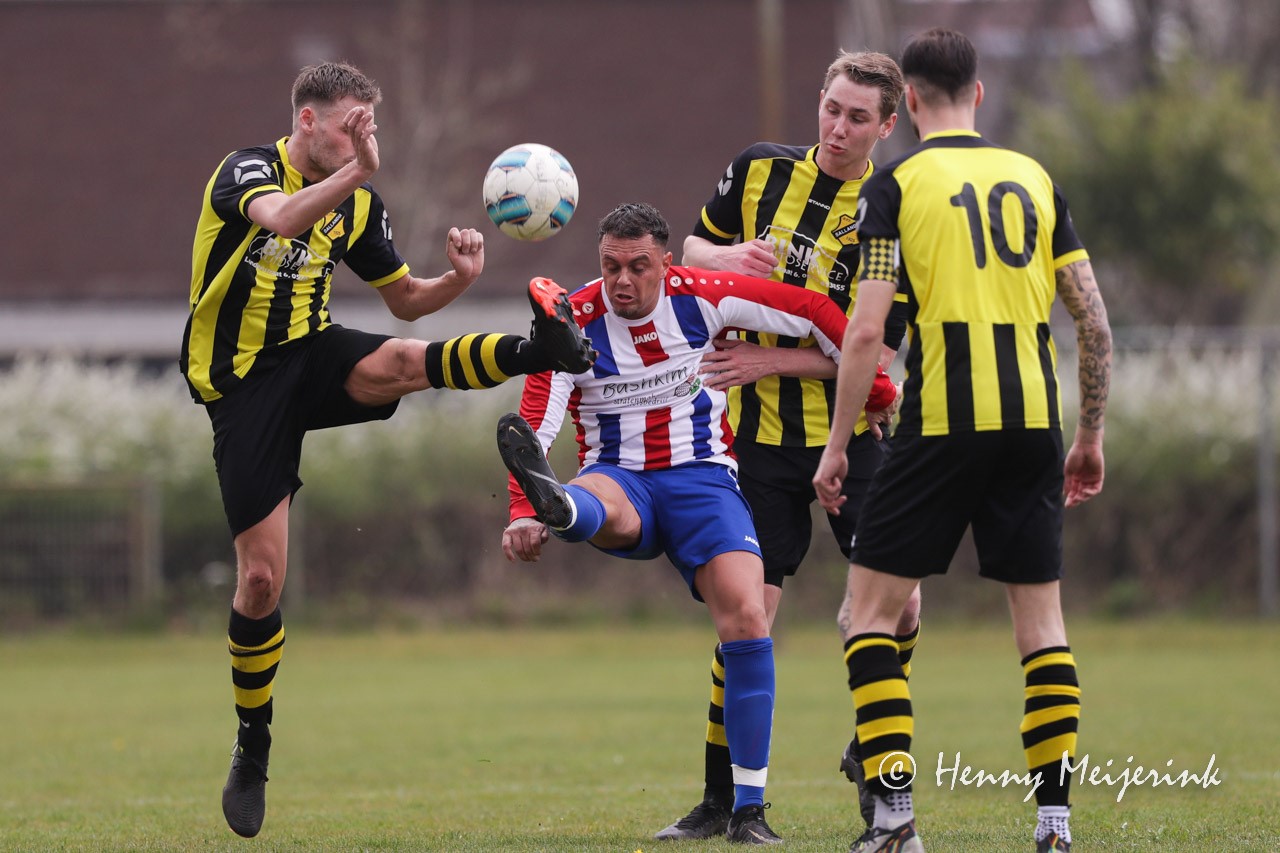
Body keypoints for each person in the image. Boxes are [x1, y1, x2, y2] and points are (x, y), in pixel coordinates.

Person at [179, 61, 595, 839]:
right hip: (242, 385)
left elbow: (404, 297)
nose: (365, 142)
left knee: (407, 359)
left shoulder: (358, 201)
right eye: (351, 128)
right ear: (309, 122)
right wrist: (360, 172)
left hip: (310, 351)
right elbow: (279, 221)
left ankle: (540, 350)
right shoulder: (247, 170)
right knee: (262, 580)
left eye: (372, 128)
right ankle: (253, 744)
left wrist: (459, 278)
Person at [496, 202, 898, 846]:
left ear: (666, 264)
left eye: (638, 267)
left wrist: (877, 386)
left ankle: (748, 812)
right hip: (618, 478)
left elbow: (813, 312)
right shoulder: (570, 321)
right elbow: (534, 420)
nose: (622, 280)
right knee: (595, 499)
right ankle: (562, 510)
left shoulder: (702, 296)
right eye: (610, 266)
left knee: (747, 616)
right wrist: (522, 511)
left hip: (703, 479)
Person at [813, 28, 1112, 853]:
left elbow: (868, 329)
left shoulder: (899, 184)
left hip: (942, 424)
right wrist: (1087, 434)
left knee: (866, 617)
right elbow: (1092, 320)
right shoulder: (1034, 177)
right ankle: (1055, 827)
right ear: (977, 95)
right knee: (1042, 628)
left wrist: (838, 445)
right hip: (1031, 427)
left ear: (906, 103)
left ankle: (895, 821)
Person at [667, 50, 921, 839]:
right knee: (747, 615)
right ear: (819, 101)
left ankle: (869, 746)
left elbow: (877, 354)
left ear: (888, 124)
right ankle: (722, 802)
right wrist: (727, 259)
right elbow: (690, 253)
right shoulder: (759, 171)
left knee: (901, 606)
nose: (838, 128)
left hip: (856, 439)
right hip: (761, 445)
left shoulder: (894, 209)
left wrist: (771, 357)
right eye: (831, 108)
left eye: (857, 117)